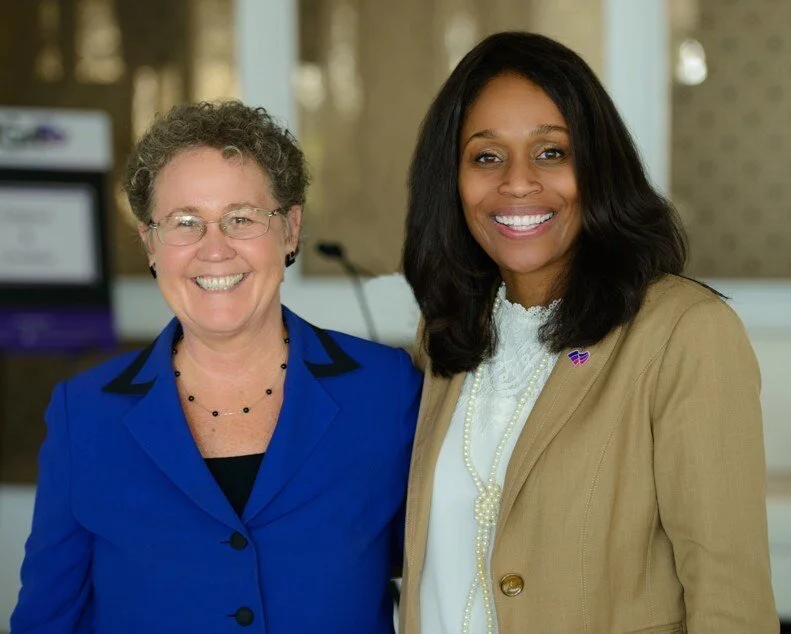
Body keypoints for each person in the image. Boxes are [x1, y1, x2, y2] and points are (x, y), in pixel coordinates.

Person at [399, 31, 778, 634]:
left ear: (599, 167)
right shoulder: (446, 331)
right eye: (487, 156)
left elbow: (730, 603)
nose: (517, 182)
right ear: (451, 179)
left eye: (551, 152)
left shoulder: (685, 333)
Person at [12, 101, 421, 634]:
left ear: (290, 229)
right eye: (185, 223)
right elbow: (48, 621)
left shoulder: (385, 391)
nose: (214, 250)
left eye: (241, 218)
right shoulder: (85, 415)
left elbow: (444, 579)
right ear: (150, 243)